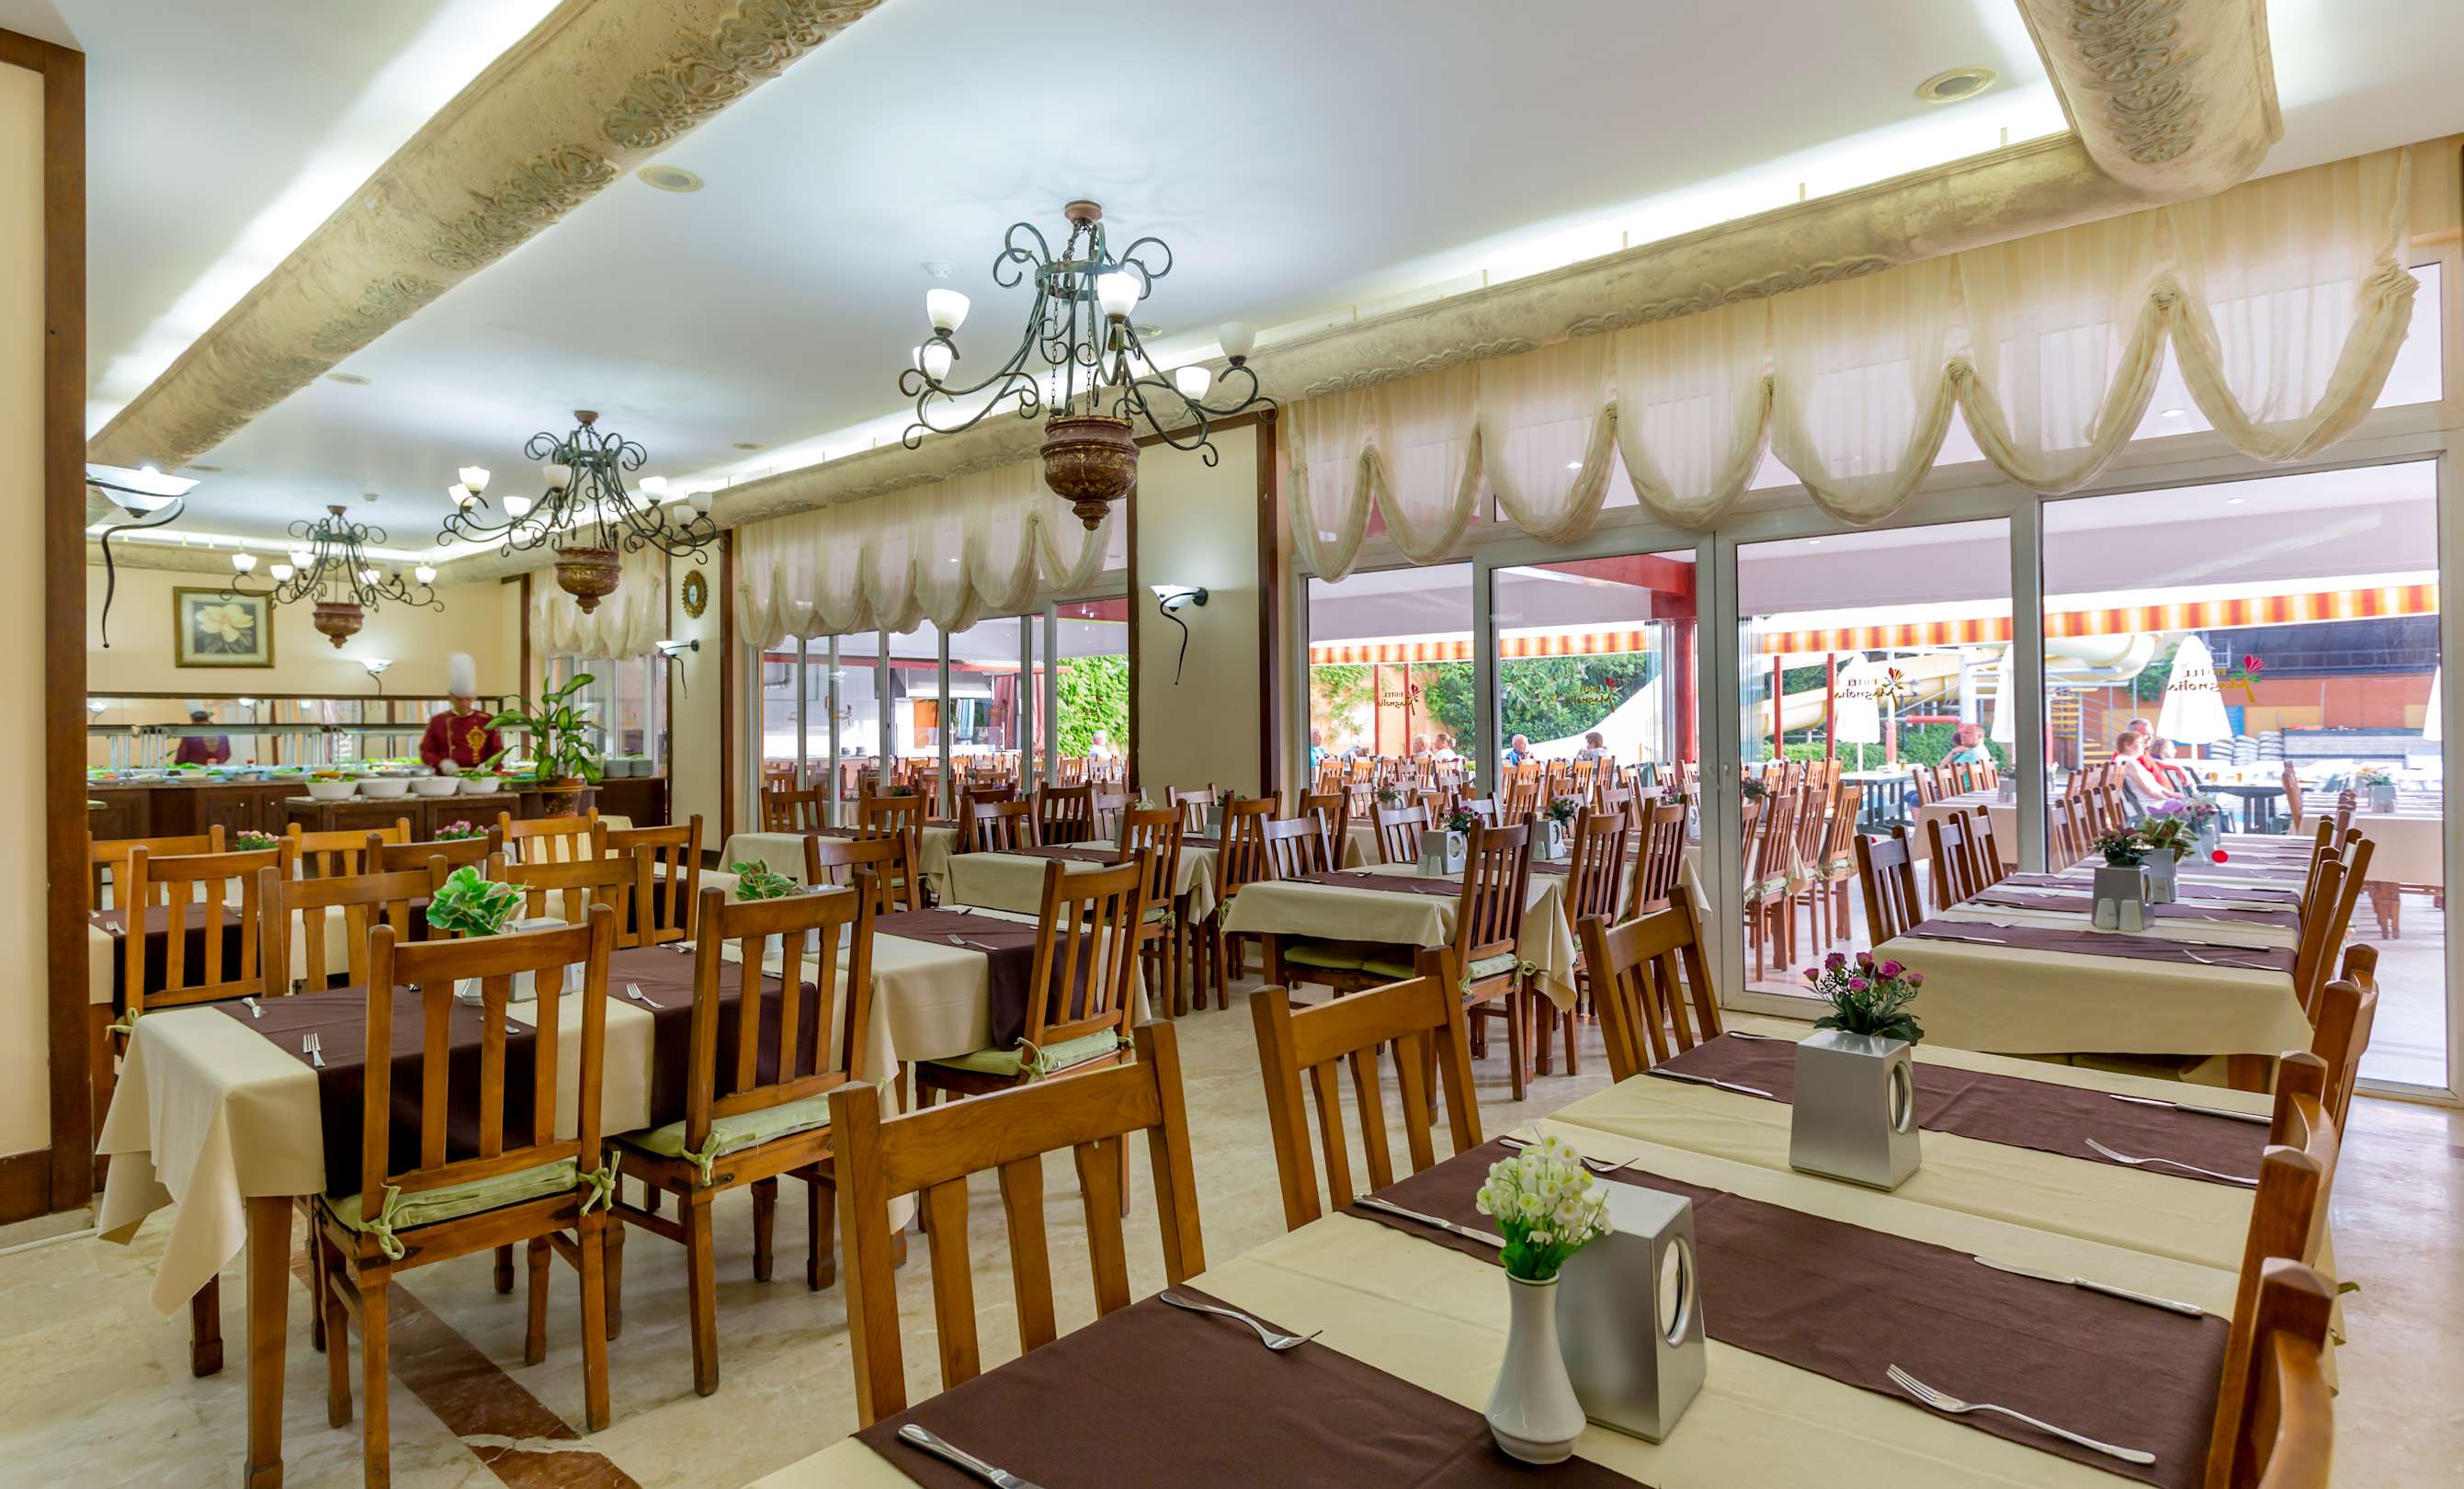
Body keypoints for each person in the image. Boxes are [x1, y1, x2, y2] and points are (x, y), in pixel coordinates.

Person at [419, 653, 503, 774]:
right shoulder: (438, 721)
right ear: (451, 697)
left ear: (474, 697)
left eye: (468, 699)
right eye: (459, 699)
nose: (464, 703)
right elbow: (426, 751)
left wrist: (489, 764)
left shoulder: (487, 720)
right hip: (446, 778)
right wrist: (441, 762)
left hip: (480, 777)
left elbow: (497, 750)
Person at [2110, 730, 2172, 816]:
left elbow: (2152, 786)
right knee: (2185, 807)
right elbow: (2148, 790)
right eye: (2140, 743)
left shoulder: (2124, 760)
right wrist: (2170, 799)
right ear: (2127, 745)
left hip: (2146, 803)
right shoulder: (2128, 762)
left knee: (2186, 805)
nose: (2144, 745)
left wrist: (2171, 795)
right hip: (2147, 806)